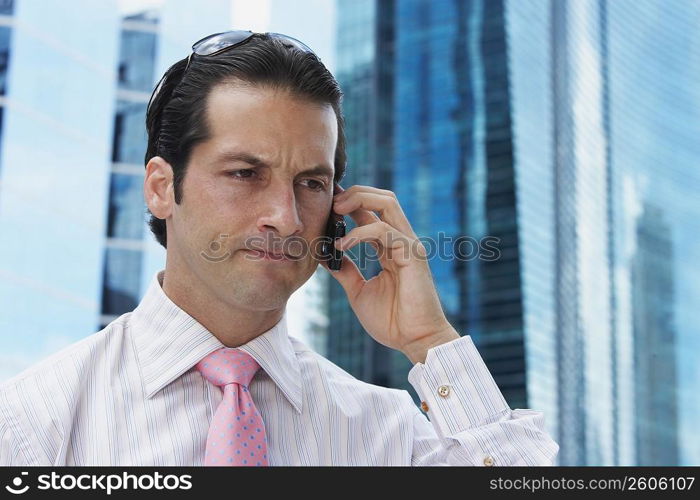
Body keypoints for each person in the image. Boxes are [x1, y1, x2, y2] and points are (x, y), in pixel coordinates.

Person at [0, 31, 558, 466]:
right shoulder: (32, 422)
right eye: (246, 173)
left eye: (311, 183)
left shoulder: (389, 432)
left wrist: (431, 342)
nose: (286, 218)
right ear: (162, 187)